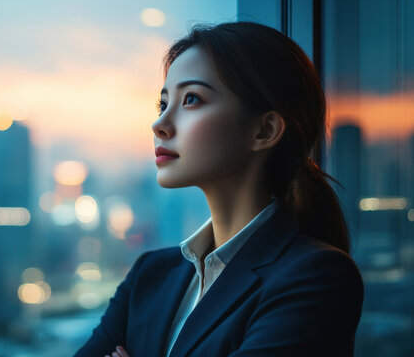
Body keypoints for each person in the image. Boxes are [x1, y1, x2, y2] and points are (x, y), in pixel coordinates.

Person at [73, 21, 365, 357]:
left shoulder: (316, 276)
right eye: (163, 104)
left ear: (265, 130)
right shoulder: (149, 275)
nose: (160, 124)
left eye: (192, 99)